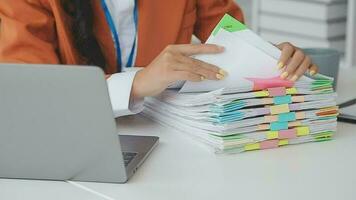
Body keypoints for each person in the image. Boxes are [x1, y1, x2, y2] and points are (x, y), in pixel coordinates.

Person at [0, 0, 318, 117]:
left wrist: (270, 56)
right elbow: (29, 96)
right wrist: (136, 84)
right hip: (67, 144)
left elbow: (230, 33)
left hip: (170, 142)